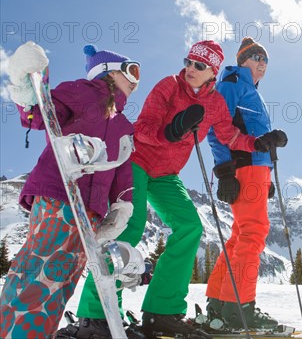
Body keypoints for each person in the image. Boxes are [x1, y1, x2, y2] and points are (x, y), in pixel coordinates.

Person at [71, 40, 287, 339]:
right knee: (129, 228)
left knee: (190, 227)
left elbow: (229, 135)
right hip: (137, 161)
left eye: (199, 65)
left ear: (212, 71)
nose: (190, 69)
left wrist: (258, 143)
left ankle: (162, 311)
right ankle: (96, 317)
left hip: (167, 174)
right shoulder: (169, 86)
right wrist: (171, 130)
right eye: (188, 61)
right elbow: (143, 128)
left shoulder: (215, 103)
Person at [0, 42, 141, 338]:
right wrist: (25, 89)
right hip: (60, 193)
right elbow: (39, 117)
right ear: (108, 72)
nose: (136, 81)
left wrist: (122, 205)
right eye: (132, 71)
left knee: (64, 278)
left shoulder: (123, 125)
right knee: (42, 268)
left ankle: (32, 331)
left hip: (90, 211)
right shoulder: (83, 91)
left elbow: (122, 169)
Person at [204, 37, 288, 331]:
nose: (262, 62)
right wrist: (225, 171)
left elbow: (253, 135)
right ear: (242, 60)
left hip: (256, 170)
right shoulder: (233, 83)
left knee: (240, 236)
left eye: (265, 58)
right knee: (253, 234)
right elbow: (216, 129)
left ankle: (219, 303)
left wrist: (267, 177)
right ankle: (239, 309)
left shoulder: (251, 90)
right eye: (255, 56)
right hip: (244, 167)